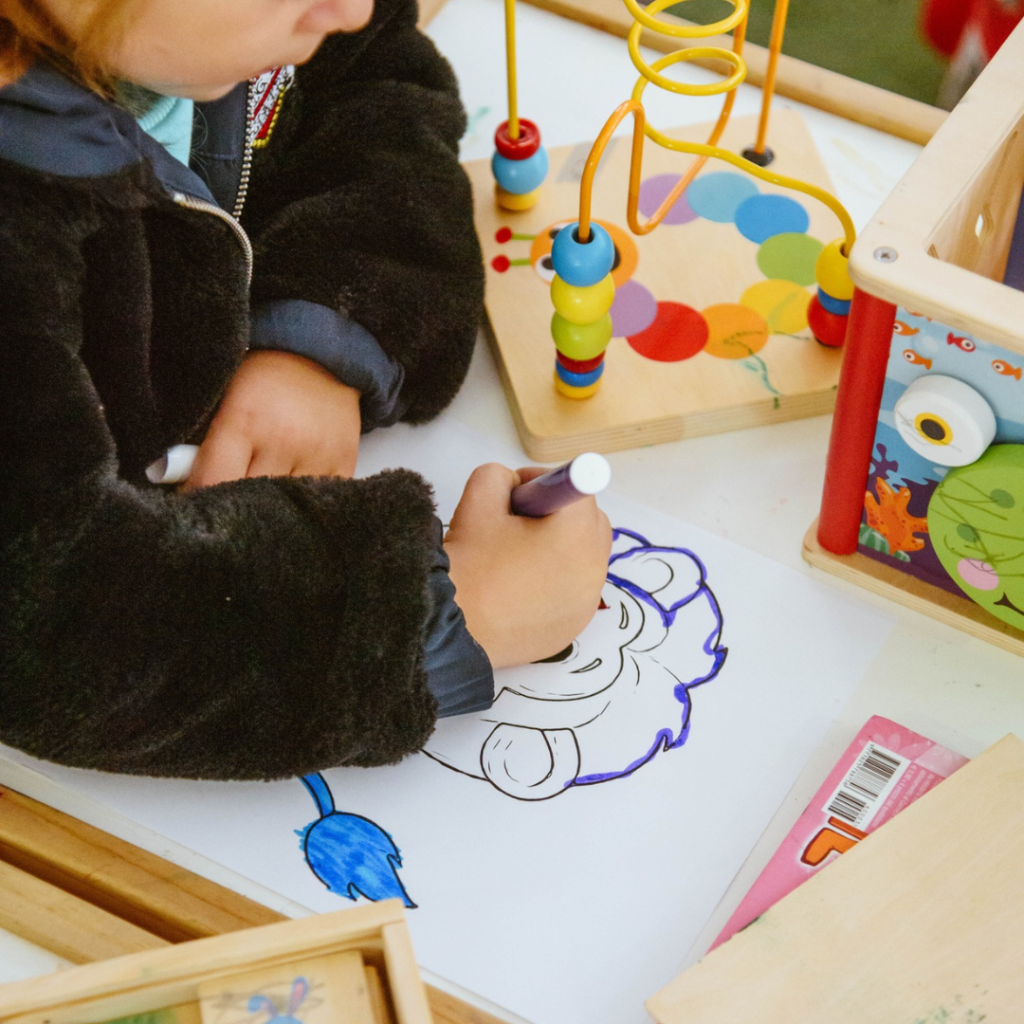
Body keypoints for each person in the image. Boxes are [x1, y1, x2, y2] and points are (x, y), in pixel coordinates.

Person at [0, 0, 612, 780]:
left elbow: (378, 86)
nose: (350, 7)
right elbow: (55, 634)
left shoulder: (241, 27)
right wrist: (446, 622)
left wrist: (319, 334)